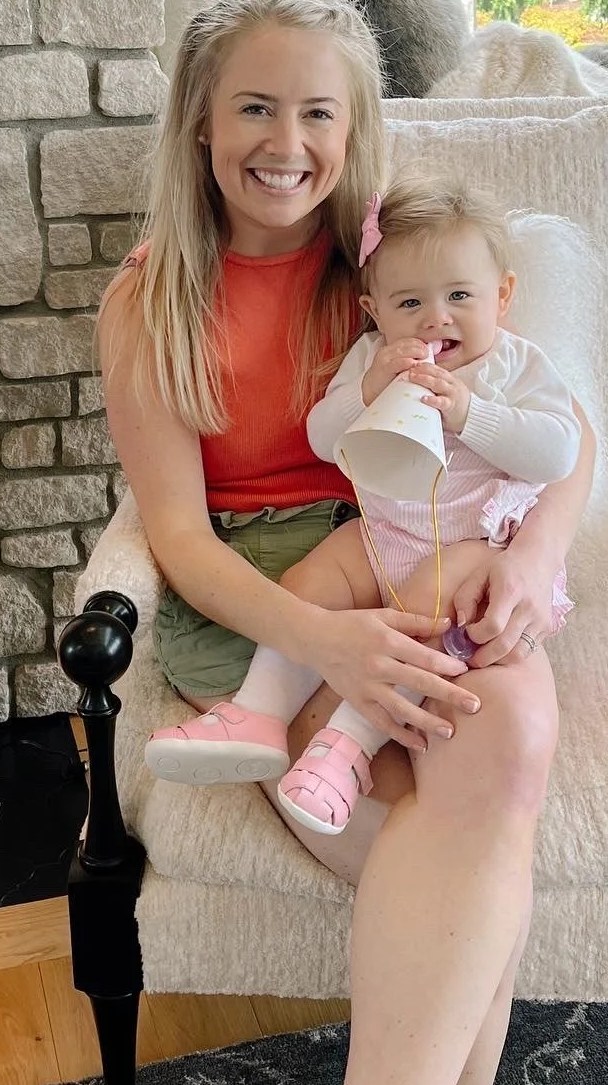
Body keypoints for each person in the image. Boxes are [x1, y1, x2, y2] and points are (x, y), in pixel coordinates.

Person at [98, 0, 595, 1085]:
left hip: (430, 554)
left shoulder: (397, 265)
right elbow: (174, 534)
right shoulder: (149, 302)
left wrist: (531, 558)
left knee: (503, 737)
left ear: (355, 126)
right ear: (201, 123)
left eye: (320, 112)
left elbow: (555, 425)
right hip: (264, 596)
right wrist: (327, 639)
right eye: (257, 109)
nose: (288, 143)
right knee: (463, 838)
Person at [145, 178, 581, 837]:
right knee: (308, 585)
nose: (437, 318)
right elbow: (325, 437)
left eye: (460, 296)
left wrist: (471, 415)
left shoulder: (515, 366)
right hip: (384, 533)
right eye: (411, 302)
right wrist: (369, 390)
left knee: (417, 614)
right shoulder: (373, 359)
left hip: (477, 550)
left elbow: (558, 452)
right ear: (373, 309)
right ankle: (257, 713)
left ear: (503, 295)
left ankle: (346, 746)